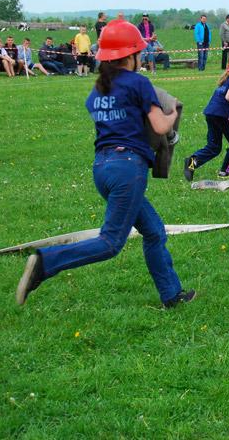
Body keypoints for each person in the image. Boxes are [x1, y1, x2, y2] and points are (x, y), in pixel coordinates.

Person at [15, 19, 194, 308]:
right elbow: (160, 126)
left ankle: (172, 295)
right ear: (130, 55)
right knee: (110, 243)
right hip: (128, 168)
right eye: (139, 52)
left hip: (103, 168)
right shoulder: (139, 82)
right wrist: (173, 113)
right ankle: (45, 262)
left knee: (154, 231)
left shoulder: (97, 90)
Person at [183, 52, 229, 182]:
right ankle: (224, 172)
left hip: (211, 113)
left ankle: (191, 163)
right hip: (222, 115)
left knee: (214, 147)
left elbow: (224, 97)